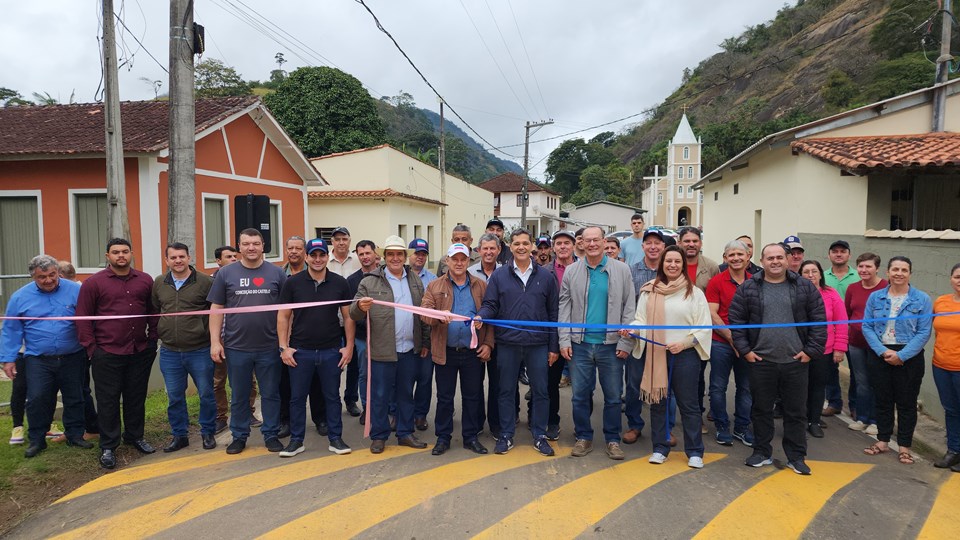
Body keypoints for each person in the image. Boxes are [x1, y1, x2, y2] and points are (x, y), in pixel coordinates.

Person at [728, 243, 826, 476]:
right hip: (761, 361)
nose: (775, 262)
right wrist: (745, 351)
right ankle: (762, 452)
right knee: (761, 409)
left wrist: (810, 351)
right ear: (761, 261)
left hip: (796, 361)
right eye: (770, 258)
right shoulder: (749, 287)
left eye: (779, 257)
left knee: (796, 412)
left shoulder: (804, 286)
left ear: (788, 259)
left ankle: (796, 456)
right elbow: (736, 322)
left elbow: (819, 320)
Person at [625, 245, 712, 469]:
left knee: (689, 404)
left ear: (683, 265)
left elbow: (704, 326)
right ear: (662, 264)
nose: (672, 265)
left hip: (685, 356)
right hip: (656, 354)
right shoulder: (649, 291)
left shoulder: (694, 293)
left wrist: (684, 343)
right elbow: (641, 320)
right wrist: (633, 330)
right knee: (658, 403)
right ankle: (660, 448)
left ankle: (695, 451)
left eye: (677, 261)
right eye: (668, 261)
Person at [76, 238, 159, 469]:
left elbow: (153, 312)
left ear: (131, 253)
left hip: (139, 350)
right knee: (108, 400)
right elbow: (83, 318)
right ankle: (109, 445)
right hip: (107, 351)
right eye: (115, 252)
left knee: (136, 396)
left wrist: (152, 340)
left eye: (125, 251)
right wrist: (92, 349)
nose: (121, 255)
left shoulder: (145, 280)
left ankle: (135, 436)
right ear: (108, 256)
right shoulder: (93, 283)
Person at [476, 228, 559, 457]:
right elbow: (491, 304)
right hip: (508, 343)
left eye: (525, 243)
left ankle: (540, 435)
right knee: (505, 390)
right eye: (516, 244)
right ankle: (506, 435)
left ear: (531, 246)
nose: (521, 247)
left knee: (541, 391)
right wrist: (481, 316)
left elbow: (554, 313)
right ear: (510, 247)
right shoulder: (499, 276)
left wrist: (553, 346)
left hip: (538, 344)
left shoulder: (546, 277)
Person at [1, 255, 92, 458]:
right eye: (42, 277)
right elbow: (11, 330)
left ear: (58, 272)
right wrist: (8, 359)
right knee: (37, 398)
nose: (49, 280)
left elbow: (90, 318)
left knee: (75, 396)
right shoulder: (19, 297)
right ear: (33, 276)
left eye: (52, 275)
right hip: (38, 359)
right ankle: (37, 440)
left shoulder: (76, 290)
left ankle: (75, 435)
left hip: (73, 355)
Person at [208, 228, 287, 455]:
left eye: (255, 243)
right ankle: (239, 436)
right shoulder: (225, 274)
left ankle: (271, 434)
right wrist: (215, 341)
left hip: (269, 346)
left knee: (270, 394)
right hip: (236, 347)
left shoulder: (277, 273)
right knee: (239, 395)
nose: (251, 247)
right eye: (246, 244)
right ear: (239, 247)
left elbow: (287, 311)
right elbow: (216, 308)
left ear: (263, 246)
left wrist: (285, 342)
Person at [560, 227, 636, 460]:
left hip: (611, 345)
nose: (592, 244)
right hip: (580, 344)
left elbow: (629, 307)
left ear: (604, 242)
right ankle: (584, 436)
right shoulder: (572, 271)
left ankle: (612, 439)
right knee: (580, 395)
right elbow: (564, 307)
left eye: (596, 240)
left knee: (613, 396)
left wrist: (625, 343)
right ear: (581, 243)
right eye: (588, 240)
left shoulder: (622, 270)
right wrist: (564, 339)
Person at [350, 235, 431, 454]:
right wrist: (360, 307)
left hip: (409, 349)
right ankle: (379, 436)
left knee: (406, 394)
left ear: (405, 256)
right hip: (382, 350)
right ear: (384, 257)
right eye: (391, 254)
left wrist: (424, 342)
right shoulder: (369, 281)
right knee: (380, 396)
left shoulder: (415, 280)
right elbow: (353, 313)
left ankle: (405, 433)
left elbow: (422, 314)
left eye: (399, 254)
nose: (395, 258)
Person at [277, 238, 355, 457]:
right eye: (313, 255)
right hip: (301, 351)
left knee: (332, 397)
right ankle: (296, 441)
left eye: (322, 255)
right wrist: (283, 347)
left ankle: (336, 439)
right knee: (297, 398)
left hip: (331, 351)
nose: (318, 259)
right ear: (306, 257)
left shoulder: (340, 283)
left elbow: (348, 317)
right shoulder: (292, 283)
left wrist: (349, 346)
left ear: (327, 257)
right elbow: (283, 316)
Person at [420, 243, 495, 455]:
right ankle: (443, 437)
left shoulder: (481, 285)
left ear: (469, 261)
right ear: (447, 261)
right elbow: (424, 313)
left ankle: (470, 437)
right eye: (455, 259)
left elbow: (490, 316)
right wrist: (438, 316)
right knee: (445, 397)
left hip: (472, 352)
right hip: (445, 351)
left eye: (463, 259)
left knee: (472, 396)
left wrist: (488, 344)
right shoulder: (434, 286)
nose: (459, 263)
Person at [861, 256, 931, 465]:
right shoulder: (875, 297)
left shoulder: (922, 299)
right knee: (883, 400)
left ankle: (904, 447)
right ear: (888, 272)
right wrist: (883, 352)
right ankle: (883, 440)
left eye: (904, 270)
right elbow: (867, 326)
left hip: (909, 355)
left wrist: (902, 355)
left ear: (910, 273)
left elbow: (924, 332)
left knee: (906, 403)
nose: (899, 273)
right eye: (895, 269)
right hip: (880, 353)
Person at [151, 243, 217, 453]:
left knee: (206, 393)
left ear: (189, 258)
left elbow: (216, 312)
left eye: (181, 256)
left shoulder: (206, 282)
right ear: (167, 260)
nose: (178, 260)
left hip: (200, 349)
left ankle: (208, 431)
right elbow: (156, 309)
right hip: (169, 351)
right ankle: (179, 435)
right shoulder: (159, 282)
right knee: (175, 396)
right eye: (173, 257)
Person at [705, 240, 754, 447]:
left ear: (748, 257)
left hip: (749, 344)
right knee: (718, 387)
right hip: (721, 343)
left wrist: (744, 342)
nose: (735, 258)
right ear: (725, 258)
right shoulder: (716, 281)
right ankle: (722, 426)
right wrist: (733, 339)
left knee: (746, 387)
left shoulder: (756, 282)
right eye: (731, 255)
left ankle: (742, 427)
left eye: (740, 254)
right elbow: (712, 313)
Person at [624, 228, 667, 444]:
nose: (653, 247)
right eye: (648, 242)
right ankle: (634, 424)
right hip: (637, 338)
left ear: (663, 247)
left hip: (664, 339)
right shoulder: (631, 271)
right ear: (642, 246)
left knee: (664, 384)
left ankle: (665, 428)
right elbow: (626, 304)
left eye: (657, 243)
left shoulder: (670, 271)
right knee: (633, 384)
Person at [798, 260, 848, 439]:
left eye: (814, 271)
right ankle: (799, 420)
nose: (810, 275)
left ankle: (814, 421)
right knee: (798, 387)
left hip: (824, 350)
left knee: (818, 387)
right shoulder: (794, 293)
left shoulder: (831, 294)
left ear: (821, 274)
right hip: (798, 349)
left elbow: (841, 322)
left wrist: (839, 348)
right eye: (806, 272)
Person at [211, 245, 257, 434]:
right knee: (218, 381)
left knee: (248, 381)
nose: (233, 259)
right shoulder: (211, 281)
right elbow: (213, 310)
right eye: (228, 256)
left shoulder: (242, 278)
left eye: (234, 256)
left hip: (241, 340)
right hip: (220, 339)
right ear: (218, 261)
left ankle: (249, 412)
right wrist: (215, 340)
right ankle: (221, 417)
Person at [466, 232, 503, 438]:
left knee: (498, 384)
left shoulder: (506, 272)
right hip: (476, 338)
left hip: (500, 338)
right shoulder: (469, 273)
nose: (489, 252)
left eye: (492, 248)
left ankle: (496, 425)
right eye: (485, 248)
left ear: (499, 250)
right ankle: (477, 422)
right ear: (478, 250)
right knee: (474, 384)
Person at [845, 253, 885, 435]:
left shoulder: (885, 287)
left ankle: (876, 421)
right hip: (856, 343)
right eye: (861, 266)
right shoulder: (852, 288)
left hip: (878, 345)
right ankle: (862, 418)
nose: (864, 270)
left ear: (877, 268)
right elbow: (847, 314)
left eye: (868, 266)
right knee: (861, 382)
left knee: (877, 382)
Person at [58, 259, 98, 438]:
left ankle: (89, 428)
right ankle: (84, 427)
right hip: (75, 348)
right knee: (78, 389)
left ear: (60, 276)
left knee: (79, 389)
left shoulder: (81, 292)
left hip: (80, 348)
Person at [823, 240, 859, 420]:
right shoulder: (822, 276)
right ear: (829, 255)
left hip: (853, 331)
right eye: (835, 251)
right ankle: (834, 402)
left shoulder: (858, 276)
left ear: (849, 255)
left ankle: (855, 405)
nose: (838, 254)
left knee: (856, 371)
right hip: (830, 332)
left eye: (842, 251)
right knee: (830, 370)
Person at [346, 240, 378, 421]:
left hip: (383, 335)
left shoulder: (385, 276)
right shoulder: (351, 281)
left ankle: (385, 408)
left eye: (368, 253)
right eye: (361, 254)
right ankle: (367, 408)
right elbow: (350, 313)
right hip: (361, 337)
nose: (365, 257)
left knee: (384, 373)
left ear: (375, 253)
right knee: (364, 374)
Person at [932, 263, 960, 471]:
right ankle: (954, 451)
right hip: (940, 365)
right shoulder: (941, 302)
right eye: (957, 277)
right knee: (950, 409)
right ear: (951, 279)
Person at [407, 238, 436, 431]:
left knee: (425, 380)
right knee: (404, 381)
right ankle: (402, 415)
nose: (420, 257)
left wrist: (427, 342)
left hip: (427, 338)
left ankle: (420, 415)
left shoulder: (433, 280)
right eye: (417, 253)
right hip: (405, 338)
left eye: (423, 254)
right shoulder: (400, 276)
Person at [546, 230, 577, 391]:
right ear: (553, 248)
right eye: (558, 243)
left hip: (579, 333)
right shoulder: (544, 271)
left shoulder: (585, 269)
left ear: (574, 246)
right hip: (553, 333)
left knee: (583, 386)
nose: (563, 247)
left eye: (567, 243)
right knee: (550, 382)